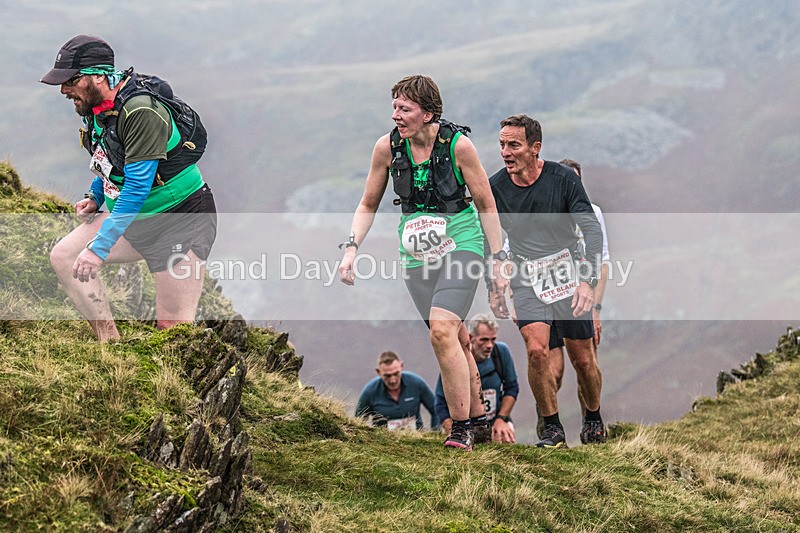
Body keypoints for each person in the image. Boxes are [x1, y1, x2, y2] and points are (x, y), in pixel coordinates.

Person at [339, 75, 508, 451]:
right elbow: (367, 203)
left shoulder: (458, 147)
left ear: (428, 113)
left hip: (461, 244)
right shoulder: (386, 147)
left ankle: (460, 428)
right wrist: (351, 248)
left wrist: (498, 259)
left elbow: (486, 204)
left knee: (442, 332)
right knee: (457, 337)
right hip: (416, 255)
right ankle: (479, 420)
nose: (396, 115)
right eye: (394, 107)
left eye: (405, 108)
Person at [40, 35, 216, 342]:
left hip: (179, 220)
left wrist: (98, 249)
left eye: (71, 80)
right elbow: (110, 157)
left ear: (98, 76)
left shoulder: (140, 112)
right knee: (64, 257)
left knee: (173, 332)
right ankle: (110, 344)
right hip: (136, 219)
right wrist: (96, 195)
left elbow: (136, 187)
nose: (64, 90)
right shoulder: (100, 108)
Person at [488, 114, 606, 448]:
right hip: (526, 275)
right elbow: (487, 239)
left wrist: (587, 282)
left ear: (535, 147)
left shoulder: (563, 179)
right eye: (502, 145)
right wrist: (494, 286)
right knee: (537, 350)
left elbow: (592, 230)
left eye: (514, 145)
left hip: (568, 271)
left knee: (583, 360)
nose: (505, 152)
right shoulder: (496, 187)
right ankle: (552, 428)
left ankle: (593, 418)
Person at [536, 159, 610, 437]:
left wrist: (596, 308)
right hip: (546, 296)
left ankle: (591, 423)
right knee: (552, 369)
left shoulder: (592, 213)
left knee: (585, 363)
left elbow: (602, 262)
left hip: (579, 298)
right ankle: (548, 424)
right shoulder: (540, 207)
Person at [434, 314, 519, 443]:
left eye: (493, 339)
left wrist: (502, 419)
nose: (489, 345)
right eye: (484, 340)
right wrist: (453, 430)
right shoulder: (456, 359)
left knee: (505, 438)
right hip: (465, 425)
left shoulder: (501, 352)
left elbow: (512, 388)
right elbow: (440, 401)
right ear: (470, 338)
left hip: (496, 421)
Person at [355, 351, 439, 430]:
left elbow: (436, 409)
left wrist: (436, 433)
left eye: (396, 374)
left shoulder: (416, 383)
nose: (393, 380)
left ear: (402, 366)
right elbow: (358, 423)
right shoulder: (369, 392)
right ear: (378, 372)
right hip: (384, 439)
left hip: (416, 438)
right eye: (387, 376)